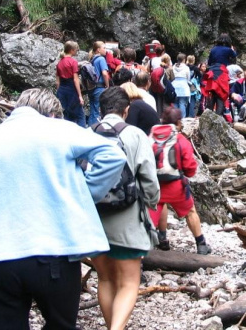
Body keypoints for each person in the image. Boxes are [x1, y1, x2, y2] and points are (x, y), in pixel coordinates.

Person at [0, 88, 126, 330]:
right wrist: (85, 194)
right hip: (54, 254)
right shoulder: (57, 129)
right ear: (52, 115)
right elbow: (112, 156)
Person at [93, 87, 160, 330]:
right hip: (127, 219)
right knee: (129, 283)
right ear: (126, 110)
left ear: (101, 110)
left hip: (94, 220)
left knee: (105, 278)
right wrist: (152, 201)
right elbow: (149, 178)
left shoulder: (85, 134)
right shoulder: (135, 135)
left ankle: (113, 325)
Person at [149, 107, 212, 255]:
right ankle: (201, 244)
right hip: (176, 185)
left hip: (154, 186)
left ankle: (147, 250)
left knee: (149, 219)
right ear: (178, 122)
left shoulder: (150, 136)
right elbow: (190, 167)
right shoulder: (180, 139)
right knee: (190, 212)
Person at [56, 41, 86, 127]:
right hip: (71, 89)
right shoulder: (73, 62)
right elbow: (76, 80)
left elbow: (57, 82)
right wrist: (80, 96)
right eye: (76, 49)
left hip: (62, 90)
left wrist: (59, 93)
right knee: (80, 115)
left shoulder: (59, 63)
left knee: (66, 114)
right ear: (72, 50)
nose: (77, 51)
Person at [206, 34, 237, 116]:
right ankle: (218, 117)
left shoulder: (213, 49)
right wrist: (232, 49)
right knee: (221, 94)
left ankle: (208, 116)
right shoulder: (228, 50)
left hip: (212, 73)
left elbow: (209, 62)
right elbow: (234, 56)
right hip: (221, 73)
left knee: (212, 94)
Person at [88, 41, 111, 125]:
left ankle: (89, 129)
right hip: (100, 88)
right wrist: (107, 86)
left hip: (92, 88)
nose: (106, 50)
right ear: (98, 50)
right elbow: (104, 74)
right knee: (98, 112)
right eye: (104, 48)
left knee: (93, 110)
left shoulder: (92, 59)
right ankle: (95, 131)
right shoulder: (101, 59)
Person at [171, 53, 191, 118]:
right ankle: (182, 119)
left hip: (174, 86)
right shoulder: (186, 68)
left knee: (175, 103)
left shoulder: (173, 67)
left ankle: (175, 118)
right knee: (182, 103)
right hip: (183, 86)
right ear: (184, 59)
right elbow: (188, 78)